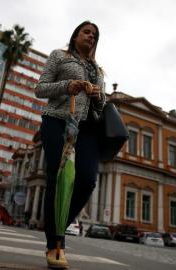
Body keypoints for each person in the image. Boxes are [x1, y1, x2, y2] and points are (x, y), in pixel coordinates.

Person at [35, 21, 106, 268]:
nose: (91, 37)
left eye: (95, 35)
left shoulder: (98, 70)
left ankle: (55, 223)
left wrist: (98, 96)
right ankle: (56, 245)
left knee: (87, 180)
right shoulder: (59, 56)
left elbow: (102, 107)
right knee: (59, 177)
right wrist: (68, 86)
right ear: (76, 35)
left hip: (87, 129)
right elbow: (40, 89)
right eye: (87, 32)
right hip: (58, 122)